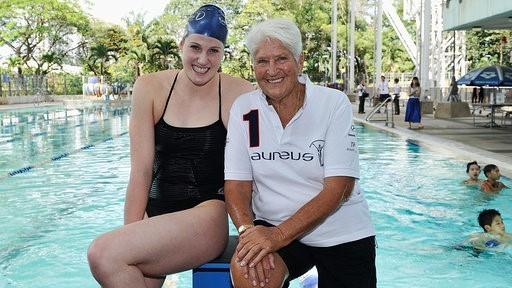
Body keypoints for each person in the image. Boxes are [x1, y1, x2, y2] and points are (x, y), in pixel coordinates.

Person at [86, 5, 254, 287]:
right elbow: (140, 170)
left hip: (206, 216)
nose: (203, 59)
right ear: (181, 46)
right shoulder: (150, 87)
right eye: (195, 47)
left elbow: (255, 165)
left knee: (102, 254)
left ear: (223, 53)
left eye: (214, 51)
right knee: (119, 267)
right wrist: (133, 233)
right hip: (155, 215)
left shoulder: (238, 92)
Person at [224, 18, 376, 288]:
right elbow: (236, 184)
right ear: (253, 65)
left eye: (281, 58)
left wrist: (277, 236)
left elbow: (339, 189)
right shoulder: (244, 109)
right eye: (262, 61)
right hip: (273, 223)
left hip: (340, 230)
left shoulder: (332, 104)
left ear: (300, 61)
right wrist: (248, 233)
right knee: (249, 271)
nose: (272, 70)